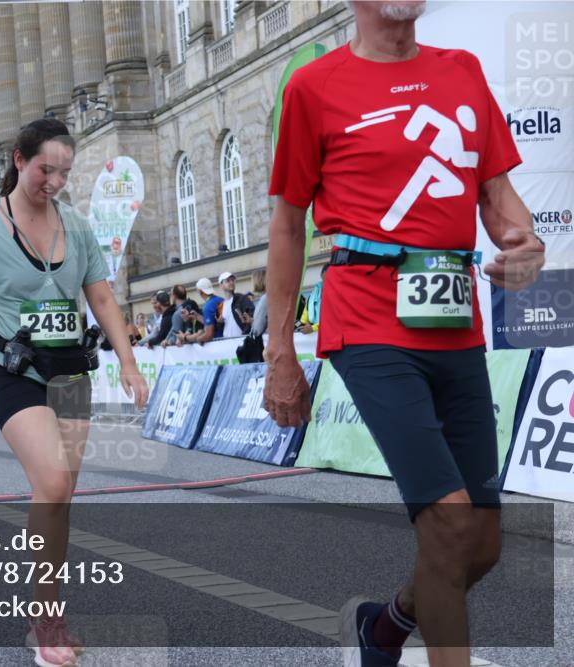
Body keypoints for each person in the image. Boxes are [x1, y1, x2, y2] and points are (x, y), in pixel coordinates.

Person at [263, 2, 545, 666]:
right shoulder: (314, 85)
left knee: (482, 543)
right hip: (366, 319)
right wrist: (281, 349)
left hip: (455, 321)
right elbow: (286, 222)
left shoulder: (462, 72)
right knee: (449, 524)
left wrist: (524, 243)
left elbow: (497, 194)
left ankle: (385, 626)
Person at [0, 118, 149, 666]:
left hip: (72, 372)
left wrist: (128, 361)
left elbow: (100, 298)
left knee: (62, 492)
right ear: (18, 160)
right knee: (50, 479)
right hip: (15, 370)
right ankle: (47, 617)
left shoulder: (76, 226)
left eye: (64, 172)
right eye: (45, 169)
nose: (54, 181)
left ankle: (43, 612)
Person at [185, 277, 224, 344]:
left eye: (197, 290)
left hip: (219, 343)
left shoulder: (207, 306)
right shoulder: (221, 299)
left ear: (200, 291)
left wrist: (198, 339)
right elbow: (213, 322)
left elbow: (209, 334)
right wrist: (197, 316)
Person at [218, 272, 254, 339]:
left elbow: (252, 317)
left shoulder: (242, 299)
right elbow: (221, 326)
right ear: (221, 286)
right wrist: (220, 323)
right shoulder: (221, 305)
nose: (231, 282)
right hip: (226, 342)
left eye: (232, 280)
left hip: (242, 340)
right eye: (228, 281)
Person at [299, 264, 329, 334]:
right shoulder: (311, 298)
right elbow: (303, 321)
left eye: (329, 280)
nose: (325, 284)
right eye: (324, 280)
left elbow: (334, 321)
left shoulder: (340, 296)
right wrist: (302, 326)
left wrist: (313, 328)